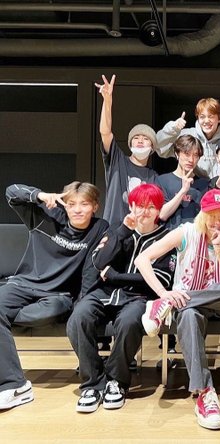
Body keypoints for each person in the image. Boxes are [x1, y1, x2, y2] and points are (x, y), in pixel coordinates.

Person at [135, 189, 220, 430]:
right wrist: (163, 293)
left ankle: (165, 306)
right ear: (203, 215)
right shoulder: (186, 232)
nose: (218, 222)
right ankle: (204, 393)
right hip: (187, 305)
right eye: (213, 216)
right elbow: (142, 259)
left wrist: (219, 250)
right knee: (187, 314)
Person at [67, 184, 175, 413]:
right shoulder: (117, 230)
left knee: (128, 322)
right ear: (131, 206)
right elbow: (99, 262)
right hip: (104, 293)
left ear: (159, 210)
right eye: (139, 206)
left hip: (139, 297)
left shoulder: (167, 237)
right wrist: (123, 231)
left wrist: (116, 276)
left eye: (151, 207)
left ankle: (116, 381)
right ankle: (93, 383)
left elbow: (161, 279)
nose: (144, 212)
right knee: (78, 317)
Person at [0, 182, 108, 410]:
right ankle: (15, 385)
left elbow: (90, 271)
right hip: (24, 284)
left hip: (59, 295)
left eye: (84, 204)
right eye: (71, 204)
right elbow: (11, 192)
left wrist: (81, 303)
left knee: (40, 312)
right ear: (64, 205)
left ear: (95, 207)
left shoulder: (99, 228)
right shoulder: (45, 216)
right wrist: (39, 195)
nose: (77, 209)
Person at [96, 74, 159, 228]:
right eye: (136, 138)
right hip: (113, 230)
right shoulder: (117, 160)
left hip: (139, 233)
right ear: (130, 144)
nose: (140, 141)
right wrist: (107, 101)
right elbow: (105, 132)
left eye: (145, 138)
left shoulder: (154, 177)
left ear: (152, 147)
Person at [156, 134, 209, 230]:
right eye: (187, 154)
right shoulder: (162, 180)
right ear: (177, 154)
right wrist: (183, 191)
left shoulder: (204, 184)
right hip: (169, 235)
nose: (191, 160)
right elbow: (162, 215)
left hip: (196, 236)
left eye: (195, 155)